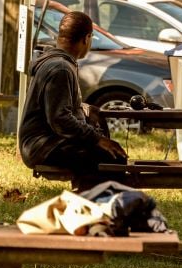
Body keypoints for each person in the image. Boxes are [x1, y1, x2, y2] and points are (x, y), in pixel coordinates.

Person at [18, 11, 128, 188]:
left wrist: (87, 111)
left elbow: (60, 106)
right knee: (111, 158)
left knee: (109, 155)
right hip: (42, 145)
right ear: (87, 38)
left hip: (48, 141)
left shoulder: (59, 63)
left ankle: (93, 199)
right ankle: (90, 204)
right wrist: (96, 139)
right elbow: (59, 119)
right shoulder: (60, 69)